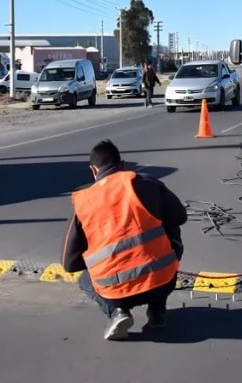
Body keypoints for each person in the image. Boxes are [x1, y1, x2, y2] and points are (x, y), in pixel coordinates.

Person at [61, 139, 187, 340]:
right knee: (170, 227)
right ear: (122, 165)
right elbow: (180, 217)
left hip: (114, 291)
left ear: (93, 170)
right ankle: (157, 309)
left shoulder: (83, 202)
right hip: (159, 280)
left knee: (84, 278)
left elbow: (69, 263)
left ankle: (117, 312)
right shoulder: (146, 183)